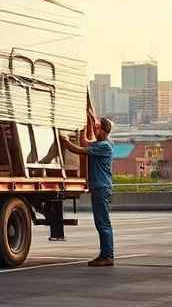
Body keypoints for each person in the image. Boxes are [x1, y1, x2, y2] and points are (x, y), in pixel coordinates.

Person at [59, 114, 114, 267]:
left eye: (97, 128)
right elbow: (84, 142)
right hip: (99, 188)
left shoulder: (104, 146)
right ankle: (106, 254)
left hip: (102, 188)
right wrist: (85, 125)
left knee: (103, 223)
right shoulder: (99, 144)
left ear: (104, 130)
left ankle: (107, 255)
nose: (95, 131)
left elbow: (79, 149)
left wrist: (65, 141)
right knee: (101, 223)